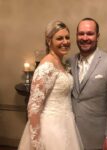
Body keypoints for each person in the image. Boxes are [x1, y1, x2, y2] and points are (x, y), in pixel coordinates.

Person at [18, 20, 83, 150]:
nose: (65, 42)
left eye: (67, 37)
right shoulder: (46, 66)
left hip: (67, 124)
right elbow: (33, 108)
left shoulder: (60, 62)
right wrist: (36, 144)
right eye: (59, 38)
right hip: (51, 129)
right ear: (49, 41)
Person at [69, 18, 107, 150]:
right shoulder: (69, 61)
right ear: (76, 35)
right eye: (81, 33)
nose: (85, 38)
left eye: (89, 33)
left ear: (97, 36)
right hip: (70, 133)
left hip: (97, 137)